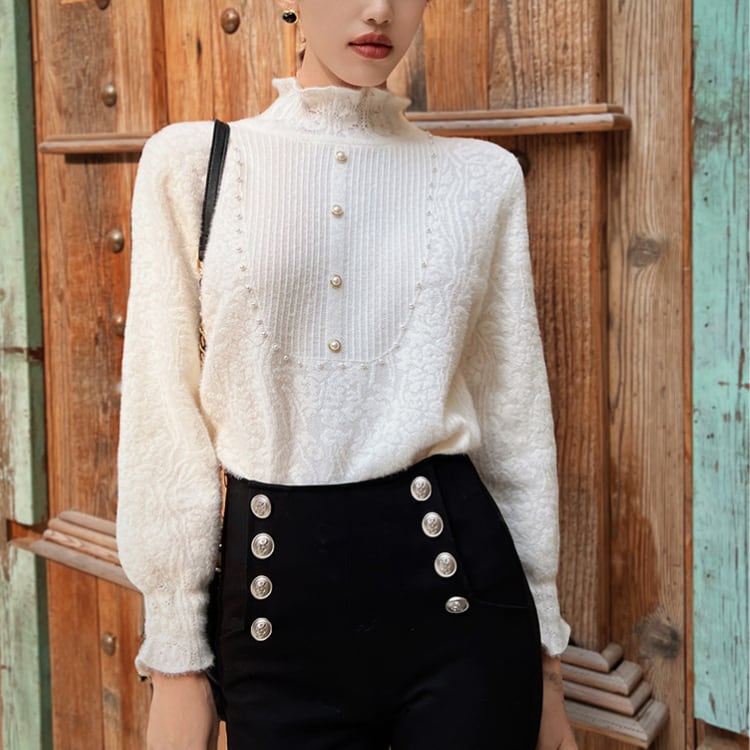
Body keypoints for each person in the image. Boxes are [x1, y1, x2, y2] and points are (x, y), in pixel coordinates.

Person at [116, 1, 578, 748]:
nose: (379, 11)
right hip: (272, 612)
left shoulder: (482, 178)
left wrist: (548, 665)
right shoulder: (192, 164)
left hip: (461, 602)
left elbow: (513, 419)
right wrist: (175, 662)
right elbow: (161, 414)